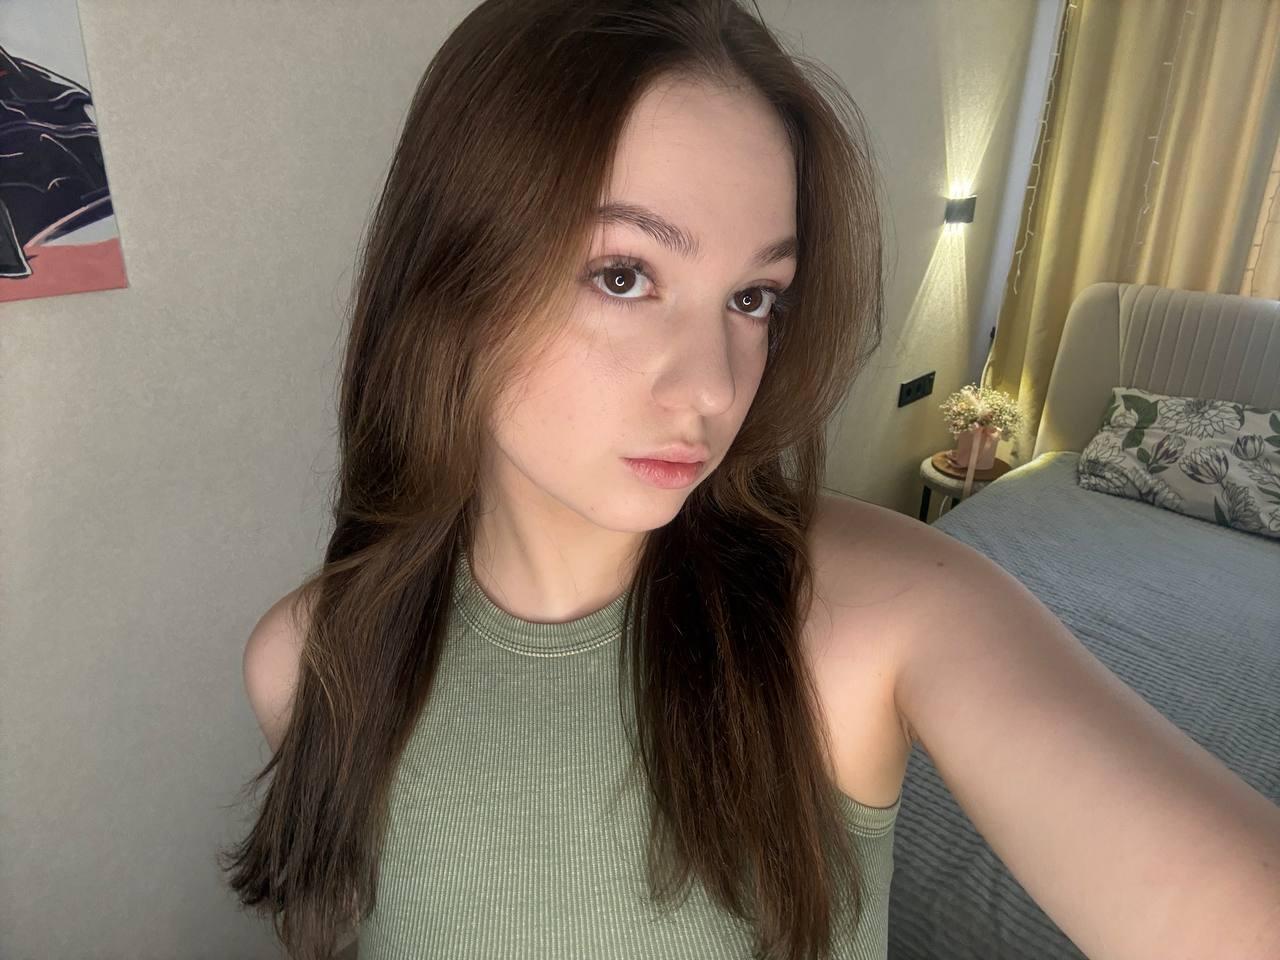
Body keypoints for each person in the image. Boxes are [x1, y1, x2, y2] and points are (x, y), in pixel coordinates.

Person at [218, 2, 1280, 959]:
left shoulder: (873, 610)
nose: (712, 389)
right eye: (623, 276)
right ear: (447, 275)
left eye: (753, 297)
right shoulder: (308, 663)